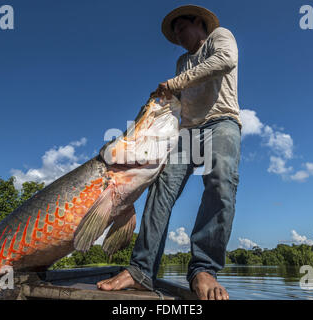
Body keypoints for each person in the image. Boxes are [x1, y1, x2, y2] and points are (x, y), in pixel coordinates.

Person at [96, 5, 242, 300]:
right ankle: (140, 270)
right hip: (187, 132)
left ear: (198, 23)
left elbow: (226, 61)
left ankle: (203, 269)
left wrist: (174, 84)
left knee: (220, 182)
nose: (179, 37)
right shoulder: (181, 61)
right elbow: (177, 99)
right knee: (161, 189)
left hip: (222, 122)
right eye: (174, 34)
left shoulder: (219, 37)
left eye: (182, 29)